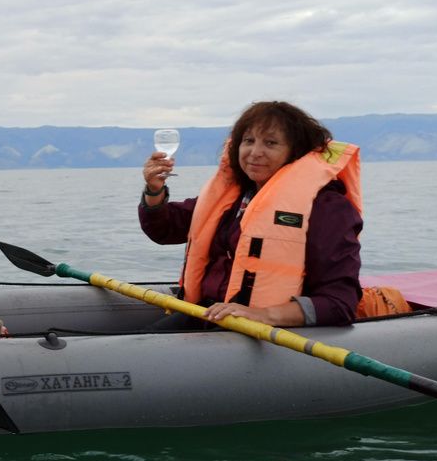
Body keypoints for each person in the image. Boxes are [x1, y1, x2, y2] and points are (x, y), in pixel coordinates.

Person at [138, 101, 362, 330]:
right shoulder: (232, 197)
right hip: (206, 314)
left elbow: (340, 303)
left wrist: (263, 315)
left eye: (271, 143)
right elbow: (165, 229)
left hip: (263, 332)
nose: (255, 153)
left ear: (297, 152)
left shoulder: (329, 208)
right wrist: (154, 189)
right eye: (248, 141)